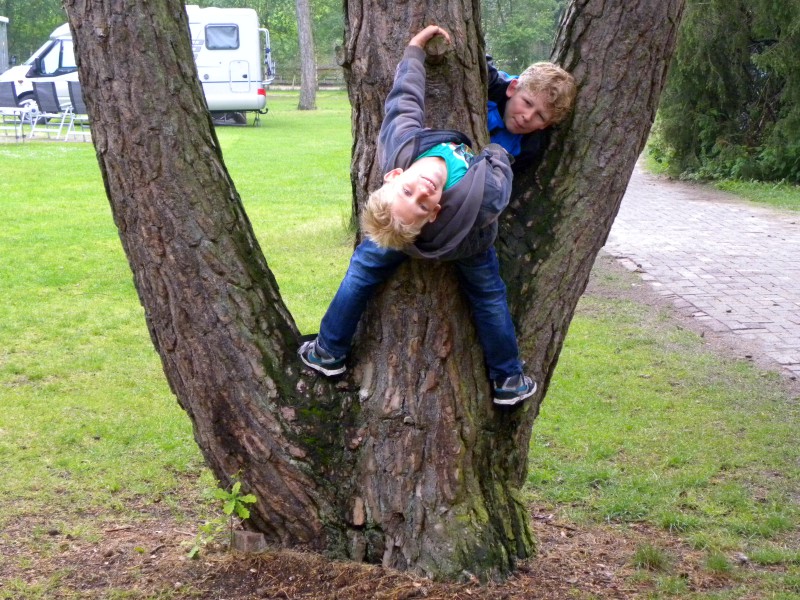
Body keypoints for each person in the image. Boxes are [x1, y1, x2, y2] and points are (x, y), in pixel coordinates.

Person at [299, 25, 536, 407]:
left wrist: (413, 54)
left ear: (394, 175)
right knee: (489, 296)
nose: (422, 190)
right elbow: (500, 182)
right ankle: (508, 378)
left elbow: (404, 102)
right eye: (423, 201)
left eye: (409, 192)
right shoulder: (479, 194)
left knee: (365, 266)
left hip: (413, 232)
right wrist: (493, 152)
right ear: (435, 211)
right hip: (470, 242)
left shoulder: (402, 147)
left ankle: (328, 352)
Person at [486, 56, 576, 174]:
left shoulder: (526, 149)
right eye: (527, 103)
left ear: (545, 125)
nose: (527, 117)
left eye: (540, 116)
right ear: (513, 88)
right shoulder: (491, 84)